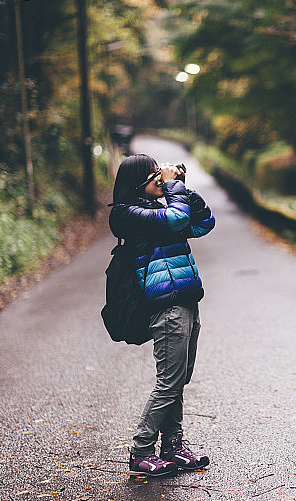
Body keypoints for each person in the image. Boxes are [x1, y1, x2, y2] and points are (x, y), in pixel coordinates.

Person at [108, 153, 215, 477]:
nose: (160, 178)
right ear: (139, 181)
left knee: (179, 380)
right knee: (169, 382)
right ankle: (141, 451)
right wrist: (172, 190)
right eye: (154, 174)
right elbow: (174, 221)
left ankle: (173, 446)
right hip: (165, 306)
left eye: (161, 173)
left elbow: (203, 222)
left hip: (184, 299)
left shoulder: (164, 207)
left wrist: (179, 187)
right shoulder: (127, 214)